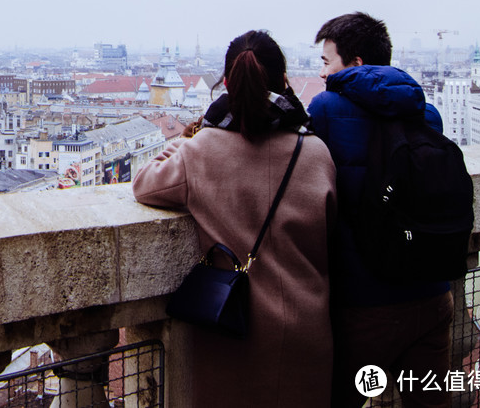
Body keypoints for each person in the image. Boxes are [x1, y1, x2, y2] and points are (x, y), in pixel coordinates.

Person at [134, 30, 337, 408]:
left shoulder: (203, 151)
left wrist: (184, 142)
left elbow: (145, 185)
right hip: (307, 330)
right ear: (284, 80)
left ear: (226, 83)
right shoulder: (316, 153)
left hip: (233, 333)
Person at [308, 12, 452, 408]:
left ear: (355, 65)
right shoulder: (428, 114)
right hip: (433, 296)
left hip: (365, 305)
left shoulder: (324, 110)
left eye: (326, 62)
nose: (322, 73)